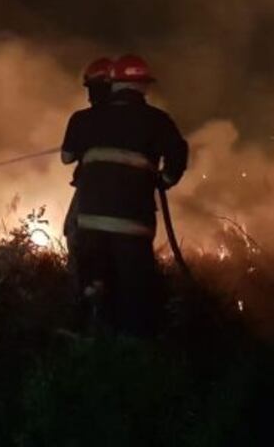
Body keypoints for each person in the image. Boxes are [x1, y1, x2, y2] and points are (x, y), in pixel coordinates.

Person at [60, 54, 188, 336]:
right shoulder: (158, 120)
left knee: (93, 279)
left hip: (91, 218)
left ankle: (89, 335)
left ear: (112, 83)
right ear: (143, 87)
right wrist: (164, 180)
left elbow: (66, 157)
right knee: (134, 289)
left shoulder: (86, 119)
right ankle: (132, 350)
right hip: (134, 221)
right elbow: (178, 154)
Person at [62, 57, 113, 320]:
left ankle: (80, 306)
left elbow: (67, 157)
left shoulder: (81, 120)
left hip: (90, 193)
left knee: (76, 235)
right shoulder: (134, 119)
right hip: (130, 197)